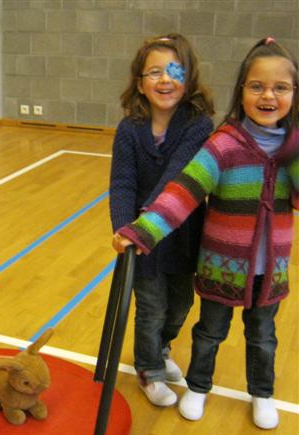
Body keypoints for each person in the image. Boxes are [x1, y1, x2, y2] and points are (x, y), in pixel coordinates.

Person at [113, 37, 298, 429]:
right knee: (208, 332)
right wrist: (143, 230)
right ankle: (197, 386)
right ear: (241, 91)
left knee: (263, 337)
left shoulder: (292, 150)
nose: (268, 95)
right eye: (257, 86)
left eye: (281, 87)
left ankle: (262, 393)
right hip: (220, 265)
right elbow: (183, 191)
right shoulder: (223, 144)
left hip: (270, 271)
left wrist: (295, 149)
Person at [109, 33, 214, 407]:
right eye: (154, 72)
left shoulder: (199, 125)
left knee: (181, 303)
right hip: (143, 240)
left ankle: (163, 347)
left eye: (174, 71)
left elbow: (178, 176)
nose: (165, 79)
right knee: (151, 307)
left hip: (182, 234)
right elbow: (122, 183)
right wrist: (125, 228)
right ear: (140, 83)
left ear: (189, 78)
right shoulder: (128, 130)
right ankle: (149, 369)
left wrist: (147, 222)